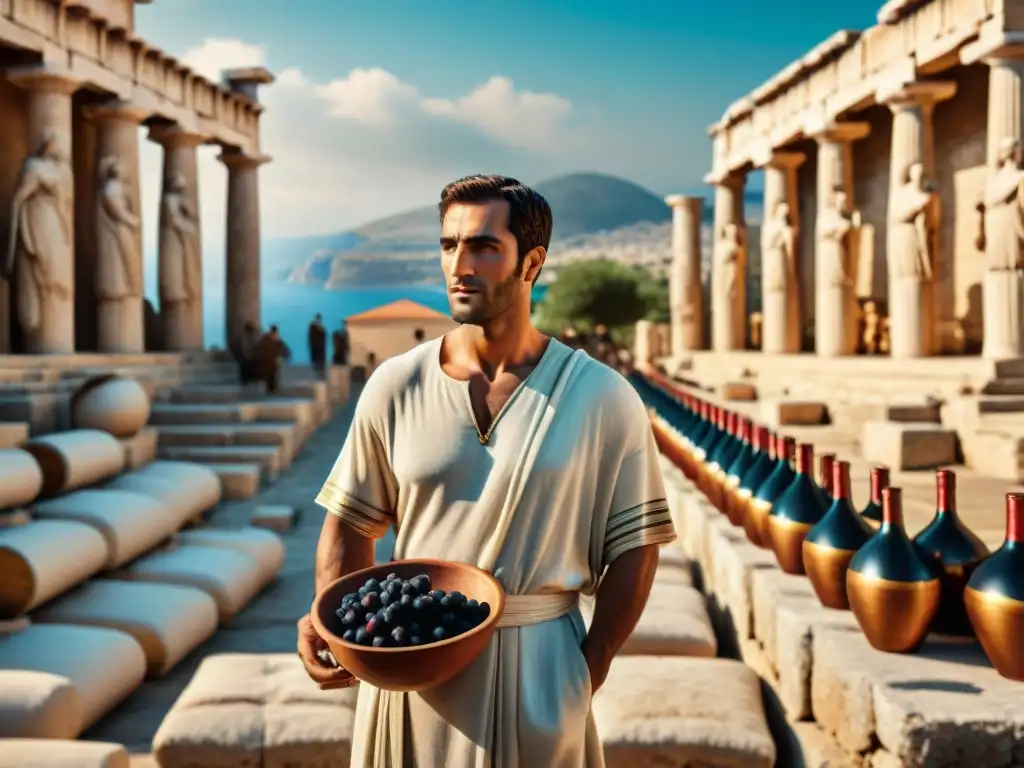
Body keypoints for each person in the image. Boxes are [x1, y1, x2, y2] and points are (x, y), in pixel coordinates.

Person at [297, 174, 675, 767]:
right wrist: (334, 617)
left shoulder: (602, 395)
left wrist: (588, 667)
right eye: (449, 246)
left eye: (483, 247)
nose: (460, 264)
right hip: (410, 670)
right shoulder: (395, 385)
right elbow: (350, 523)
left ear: (532, 264)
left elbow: (636, 545)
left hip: (541, 672)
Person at [256, 324, 288, 393]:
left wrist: (282, 357)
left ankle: (273, 389)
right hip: (268, 362)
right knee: (270, 377)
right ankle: (271, 389)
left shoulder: (277, 341)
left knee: (273, 376)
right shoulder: (265, 340)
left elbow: (285, 350)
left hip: (273, 362)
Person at [308, 313, 327, 377]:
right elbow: (311, 338)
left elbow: (324, 338)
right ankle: (316, 373)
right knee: (316, 363)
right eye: (317, 319)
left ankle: (320, 373)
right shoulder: (312, 327)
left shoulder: (322, 328)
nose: (318, 320)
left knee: (320, 364)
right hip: (315, 348)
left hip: (321, 350)